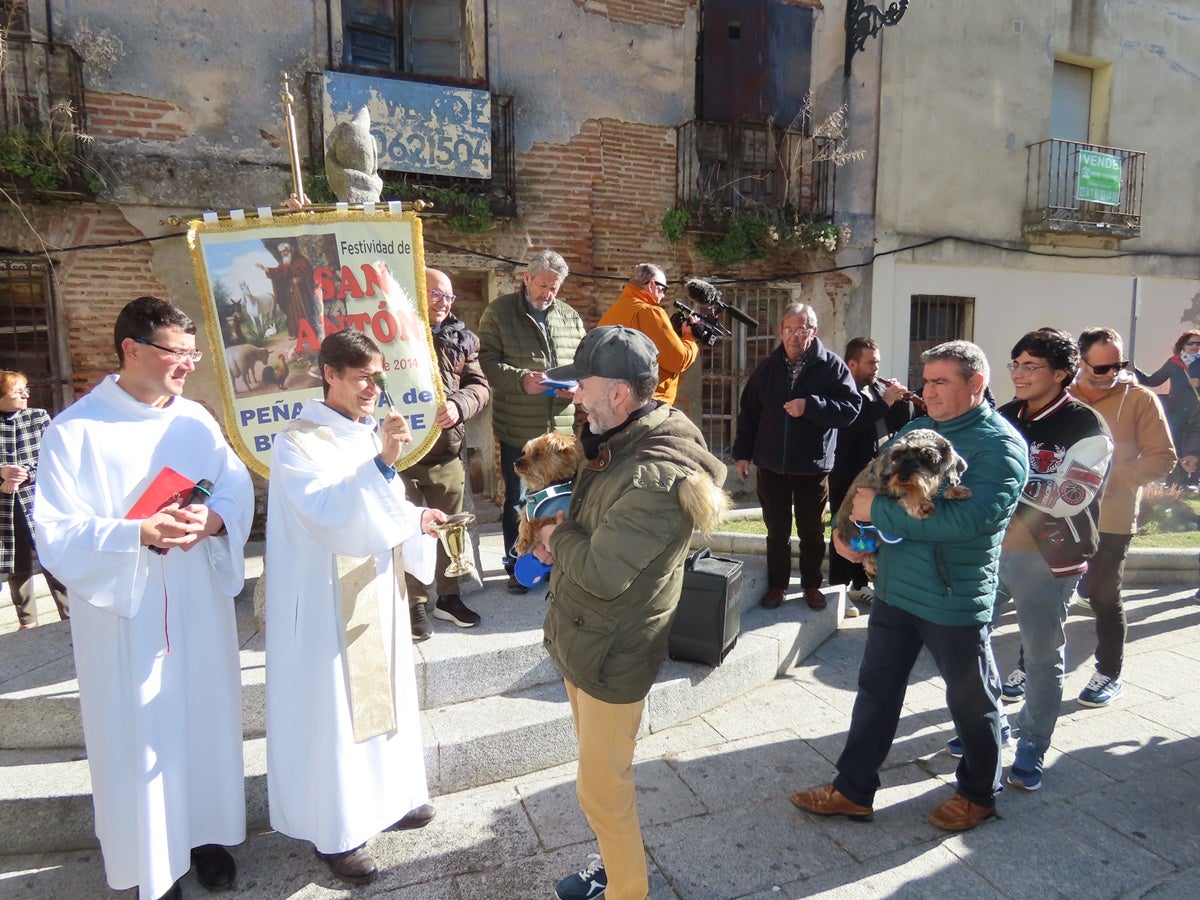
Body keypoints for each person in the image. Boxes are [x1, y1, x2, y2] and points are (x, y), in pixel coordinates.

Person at [33, 296, 254, 900]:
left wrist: (211, 521)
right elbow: (54, 530)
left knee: (203, 718)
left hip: (195, 599)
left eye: (192, 353)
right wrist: (135, 532)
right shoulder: (74, 429)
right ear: (132, 350)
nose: (187, 365)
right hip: (122, 614)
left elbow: (234, 490)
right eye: (175, 353)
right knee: (141, 728)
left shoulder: (197, 421)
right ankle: (154, 862)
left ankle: (206, 837)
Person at [791, 340, 1028, 832]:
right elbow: (867, 480)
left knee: (971, 700)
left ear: (976, 384)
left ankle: (979, 793)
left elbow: (970, 520)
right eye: (926, 380)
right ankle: (853, 789)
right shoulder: (918, 428)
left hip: (952, 596)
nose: (928, 390)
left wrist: (872, 512)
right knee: (875, 692)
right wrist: (847, 532)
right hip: (897, 588)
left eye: (942, 381)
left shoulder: (1000, 446)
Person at [530, 325, 727, 900]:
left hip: (614, 647)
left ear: (619, 393)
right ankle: (615, 867)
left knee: (602, 788)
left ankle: (627, 890)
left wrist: (555, 533)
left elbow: (602, 572)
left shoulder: (656, 473)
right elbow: (598, 479)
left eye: (582, 386)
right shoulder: (619, 431)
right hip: (586, 635)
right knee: (602, 780)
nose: (574, 396)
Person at [264, 328, 447, 886]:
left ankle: (394, 796)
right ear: (331, 374)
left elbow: (385, 507)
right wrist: (384, 464)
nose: (373, 386)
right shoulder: (299, 441)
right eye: (362, 376)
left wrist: (417, 521)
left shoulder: (368, 433)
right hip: (325, 602)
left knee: (385, 691)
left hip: (376, 589)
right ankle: (338, 832)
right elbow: (326, 514)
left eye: (377, 375)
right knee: (336, 710)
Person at [992, 328, 1112, 791]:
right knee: (969, 638)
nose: (1019, 375)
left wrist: (1003, 488)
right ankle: (988, 723)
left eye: (1031, 366)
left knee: (1041, 657)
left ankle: (1031, 748)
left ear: (1062, 374)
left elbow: (1070, 495)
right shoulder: (1004, 417)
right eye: (1015, 364)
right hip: (994, 550)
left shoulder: (1087, 426)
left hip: (1050, 559)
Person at [732, 303, 860, 611]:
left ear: (813, 331)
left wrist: (811, 406)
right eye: (788, 329)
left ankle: (812, 584)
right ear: (780, 331)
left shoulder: (832, 366)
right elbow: (749, 412)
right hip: (771, 463)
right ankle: (777, 585)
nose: (793, 336)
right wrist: (742, 454)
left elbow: (851, 408)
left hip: (811, 465)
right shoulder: (768, 367)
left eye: (801, 329)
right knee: (776, 530)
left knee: (812, 531)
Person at [1071, 327, 1175, 707]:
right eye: (1102, 366)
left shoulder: (1140, 399)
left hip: (1112, 515)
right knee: (1041, 593)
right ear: (1080, 362)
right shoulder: (1061, 396)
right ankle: (1027, 666)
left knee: (1103, 595)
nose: (1112, 372)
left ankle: (1109, 673)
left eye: (1119, 364)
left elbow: (1164, 458)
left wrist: (1105, 480)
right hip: (1058, 515)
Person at [477, 249, 586, 594]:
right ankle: (517, 563)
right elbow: (486, 361)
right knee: (519, 500)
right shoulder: (499, 312)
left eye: (554, 288)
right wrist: (521, 379)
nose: (547, 294)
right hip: (519, 428)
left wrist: (578, 386)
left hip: (561, 432)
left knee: (564, 499)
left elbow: (583, 361)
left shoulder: (569, 316)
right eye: (542, 285)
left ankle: (557, 561)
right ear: (527, 278)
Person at [403, 267, 491, 639]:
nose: (443, 302)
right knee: (409, 528)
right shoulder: (392, 329)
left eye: (449, 296)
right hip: (402, 452)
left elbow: (479, 385)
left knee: (450, 527)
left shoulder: (464, 338)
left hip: (445, 448)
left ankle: (448, 597)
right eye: (435, 294)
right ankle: (414, 603)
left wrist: (460, 404)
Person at [827, 338, 916, 618]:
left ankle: (859, 582)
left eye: (877, 361)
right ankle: (838, 589)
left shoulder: (877, 389)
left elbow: (898, 421)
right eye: (871, 362)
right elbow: (853, 423)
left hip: (874, 477)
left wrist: (900, 399)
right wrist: (885, 403)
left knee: (865, 531)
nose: (876, 367)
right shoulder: (841, 390)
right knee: (843, 529)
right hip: (845, 475)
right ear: (852, 363)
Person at [1, 370, 69, 628]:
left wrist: (25, 472)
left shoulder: (38, 417)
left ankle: (69, 612)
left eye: (26, 389)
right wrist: (2, 472)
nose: (26, 394)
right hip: (6, 505)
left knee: (51, 554)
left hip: (38, 499)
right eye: (18, 391)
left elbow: (55, 455)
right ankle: (27, 620)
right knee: (16, 562)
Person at [596, 262, 698, 406]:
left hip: (611, 398)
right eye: (663, 289)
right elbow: (677, 360)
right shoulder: (649, 312)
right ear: (651, 285)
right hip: (646, 402)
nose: (663, 295)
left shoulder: (614, 311)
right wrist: (689, 337)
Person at [1134, 330, 1200, 485]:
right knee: (1175, 446)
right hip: (1176, 412)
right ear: (1182, 345)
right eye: (1191, 343)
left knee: (1194, 447)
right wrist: (1134, 370)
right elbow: (1153, 381)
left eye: (1198, 343)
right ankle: (1175, 484)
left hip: (1197, 413)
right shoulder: (1174, 362)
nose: (1195, 346)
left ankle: (1193, 483)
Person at [257, 240, 318, 341]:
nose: (283, 254)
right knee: (292, 313)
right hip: (289, 292)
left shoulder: (300, 261)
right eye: (280, 252)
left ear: (290, 250)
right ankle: (295, 333)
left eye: (284, 251)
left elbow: (309, 275)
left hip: (302, 292)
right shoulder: (282, 264)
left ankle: (308, 333)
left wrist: (300, 279)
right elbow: (280, 273)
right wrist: (266, 269)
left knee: (303, 311)